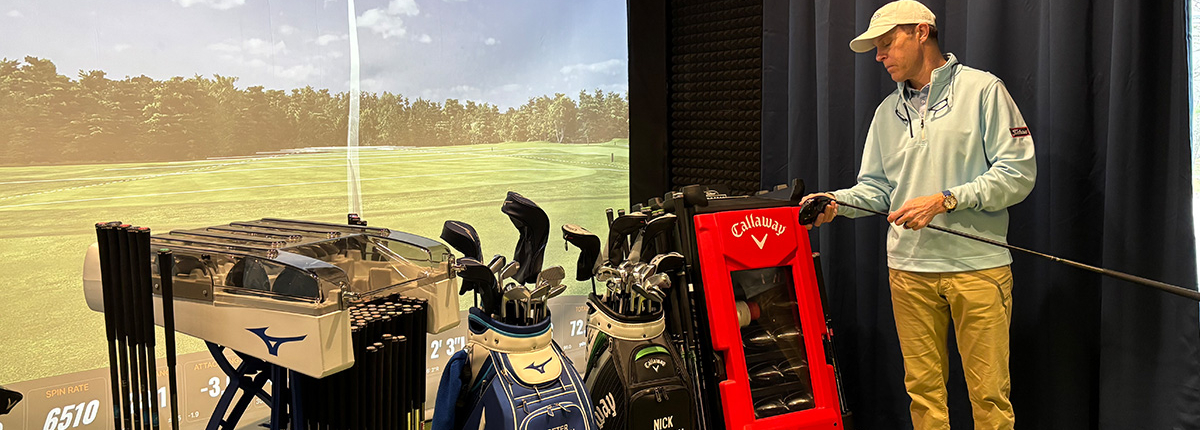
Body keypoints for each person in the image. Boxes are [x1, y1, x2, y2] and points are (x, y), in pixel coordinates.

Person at [801, 1, 1036, 429]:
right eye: (877, 48)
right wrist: (835, 202)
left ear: (921, 32)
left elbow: (1018, 174)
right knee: (924, 396)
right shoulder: (884, 113)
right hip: (908, 272)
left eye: (886, 43)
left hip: (978, 269)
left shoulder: (984, 90)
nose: (879, 56)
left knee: (989, 397)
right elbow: (876, 190)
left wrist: (946, 199)